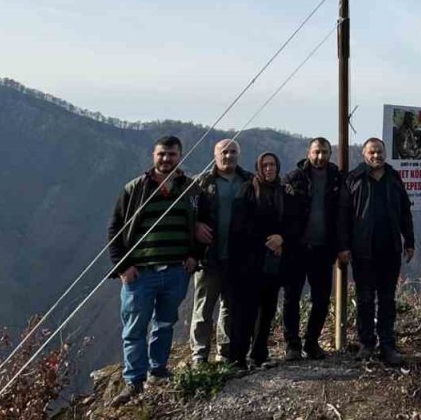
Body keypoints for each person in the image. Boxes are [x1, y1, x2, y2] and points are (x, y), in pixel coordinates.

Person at [106, 135, 200, 405]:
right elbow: (115, 229)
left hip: (176, 272)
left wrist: (195, 256)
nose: (166, 159)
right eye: (162, 154)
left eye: (171, 154)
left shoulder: (191, 190)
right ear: (153, 155)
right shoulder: (135, 188)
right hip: (141, 273)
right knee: (134, 329)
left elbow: (204, 222)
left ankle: (157, 369)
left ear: (180, 156)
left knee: (165, 323)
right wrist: (123, 267)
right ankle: (133, 381)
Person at [338, 138, 415, 366]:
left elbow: (405, 211)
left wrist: (409, 240)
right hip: (363, 250)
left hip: (390, 248)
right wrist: (343, 246)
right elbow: (342, 215)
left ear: (385, 153)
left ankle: (387, 345)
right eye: (371, 152)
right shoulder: (353, 178)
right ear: (364, 154)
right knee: (364, 299)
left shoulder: (394, 177)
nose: (376, 156)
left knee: (387, 299)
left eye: (379, 152)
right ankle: (366, 344)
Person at [188, 139, 253, 365]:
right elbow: (187, 212)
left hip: (236, 257)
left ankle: (224, 353)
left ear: (239, 155)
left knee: (229, 307)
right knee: (203, 308)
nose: (229, 156)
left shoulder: (249, 182)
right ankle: (199, 355)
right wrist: (195, 226)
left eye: (233, 152)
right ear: (215, 155)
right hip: (208, 257)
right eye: (224, 152)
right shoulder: (202, 182)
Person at [282, 137, 344, 360]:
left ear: (330, 154)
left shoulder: (337, 178)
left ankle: (311, 342)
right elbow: (283, 213)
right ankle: (292, 345)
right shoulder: (293, 178)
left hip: (323, 250)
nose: (320, 156)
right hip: (297, 249)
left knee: (321, 299)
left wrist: (341, 246)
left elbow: (342, 215)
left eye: (325, 152)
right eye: (317, 152)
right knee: (292, 298)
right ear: (309, 153)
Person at [237, 152, 288, 369]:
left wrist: (281, 238)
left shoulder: (283, 191)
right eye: (265, 165)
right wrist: (265, 241)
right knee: (247, 309)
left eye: (273, 164)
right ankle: (240, 356)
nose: (269, 168)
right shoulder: (248, 189)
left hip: (275, 259)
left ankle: (260, 353)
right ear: (259, 167)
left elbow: (291, 220)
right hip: (251, 258)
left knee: (267, 308)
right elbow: (241, 222)